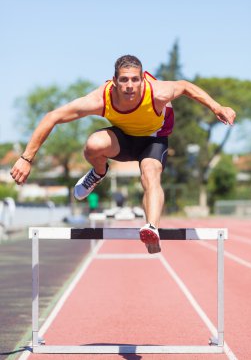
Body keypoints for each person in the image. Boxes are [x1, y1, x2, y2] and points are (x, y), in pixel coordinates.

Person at [10, 55, 236, 254]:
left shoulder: (157, 93)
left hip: (153, 140)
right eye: (124, 80)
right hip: (124, 140)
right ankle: (99, 172)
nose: (129, 86)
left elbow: (186, 86)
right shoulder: (101, 99)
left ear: (142, 80)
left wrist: (217, 107)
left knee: (151, 173)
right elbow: (53, 116)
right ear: (115, 81)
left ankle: (152, 228)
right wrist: (26, 158)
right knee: (93, 144)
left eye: (135, 79)